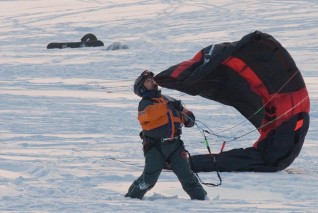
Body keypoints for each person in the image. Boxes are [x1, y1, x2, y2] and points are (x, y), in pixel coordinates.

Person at [125, 70, 207, 200]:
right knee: (149, 178)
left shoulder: (167, 100)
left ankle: (203, 200)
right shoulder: (145, 103)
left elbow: (185, 116)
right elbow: (148, 115)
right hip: (155, 146)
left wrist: (188, 116)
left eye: (152, 79)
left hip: (175, 145)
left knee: (187, 176)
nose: (152, 81)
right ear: (141, 87)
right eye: (147, 81)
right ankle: (130, 199)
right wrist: (167, 106)